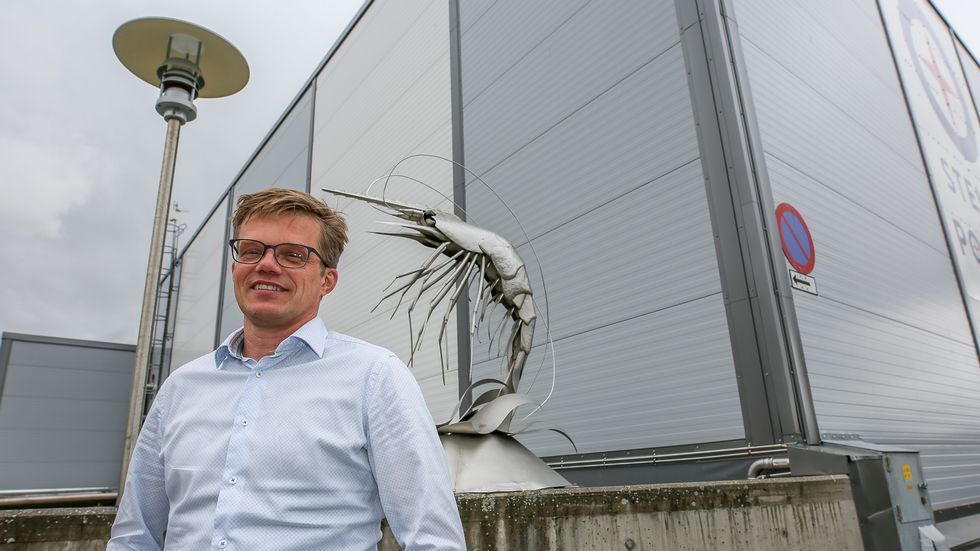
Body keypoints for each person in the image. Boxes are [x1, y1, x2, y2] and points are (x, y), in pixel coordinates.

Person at [109, 188, 466, 550]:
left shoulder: (374, 378)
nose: (266, 264)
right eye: (251, 250)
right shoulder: (181, 388)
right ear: (235, 268)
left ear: (327, 280)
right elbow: (132, 537)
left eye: (293, 255)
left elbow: (433, 540)